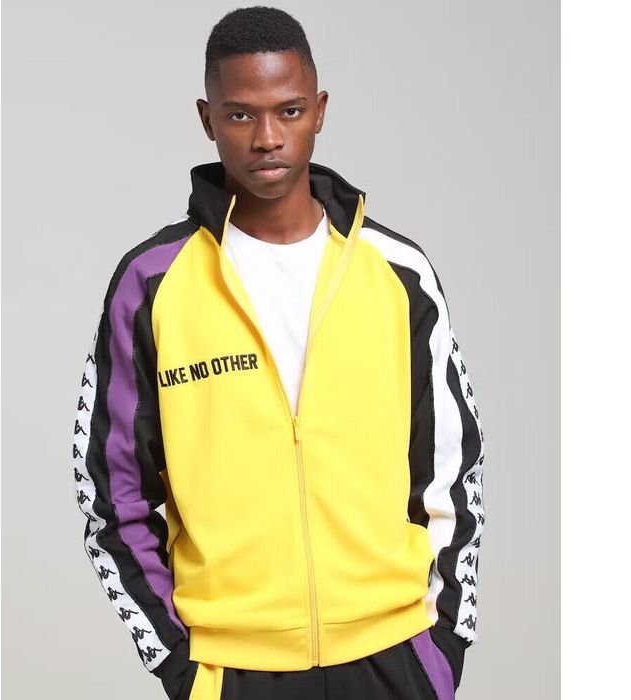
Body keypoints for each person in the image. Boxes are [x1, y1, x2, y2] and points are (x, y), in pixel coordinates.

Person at [72, 6, 485, 699]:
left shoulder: (397, 273)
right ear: (207, 119)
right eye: (240, 115)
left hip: (393, 656)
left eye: (289, 111)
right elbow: (112, 494)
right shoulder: (151, 284)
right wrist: (181, 666)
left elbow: (453, 468)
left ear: (318, 111)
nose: (267, 138)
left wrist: (441, 648)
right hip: (232, 669)